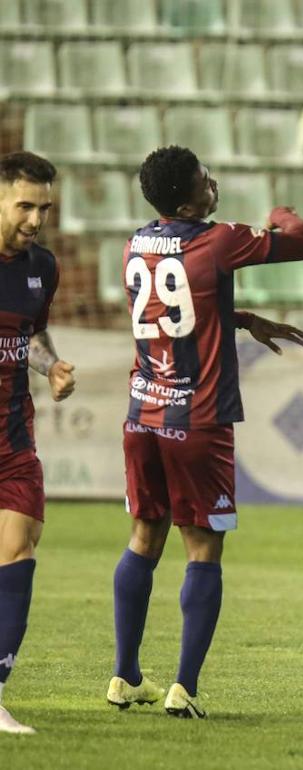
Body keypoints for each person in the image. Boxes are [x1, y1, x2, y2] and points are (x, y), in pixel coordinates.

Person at [107, 146, 303, 719]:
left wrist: (244, 319)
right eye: (205, 181)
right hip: (197, 419)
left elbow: (174, 311)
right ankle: (184, 688)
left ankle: (125, 677)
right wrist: (279, 214)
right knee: (203, 549)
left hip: (143, 414)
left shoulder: (134, 243)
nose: (214, 185)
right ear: (186, 198)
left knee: (143, 538)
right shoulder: (220, 240)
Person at [0, 151, 76, 735]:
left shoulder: (41, 267)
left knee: (19, 553)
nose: (35, 219)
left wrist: (48, 366)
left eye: (43, 208)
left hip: (13, 438)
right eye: (24, 205)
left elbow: (32, 334)